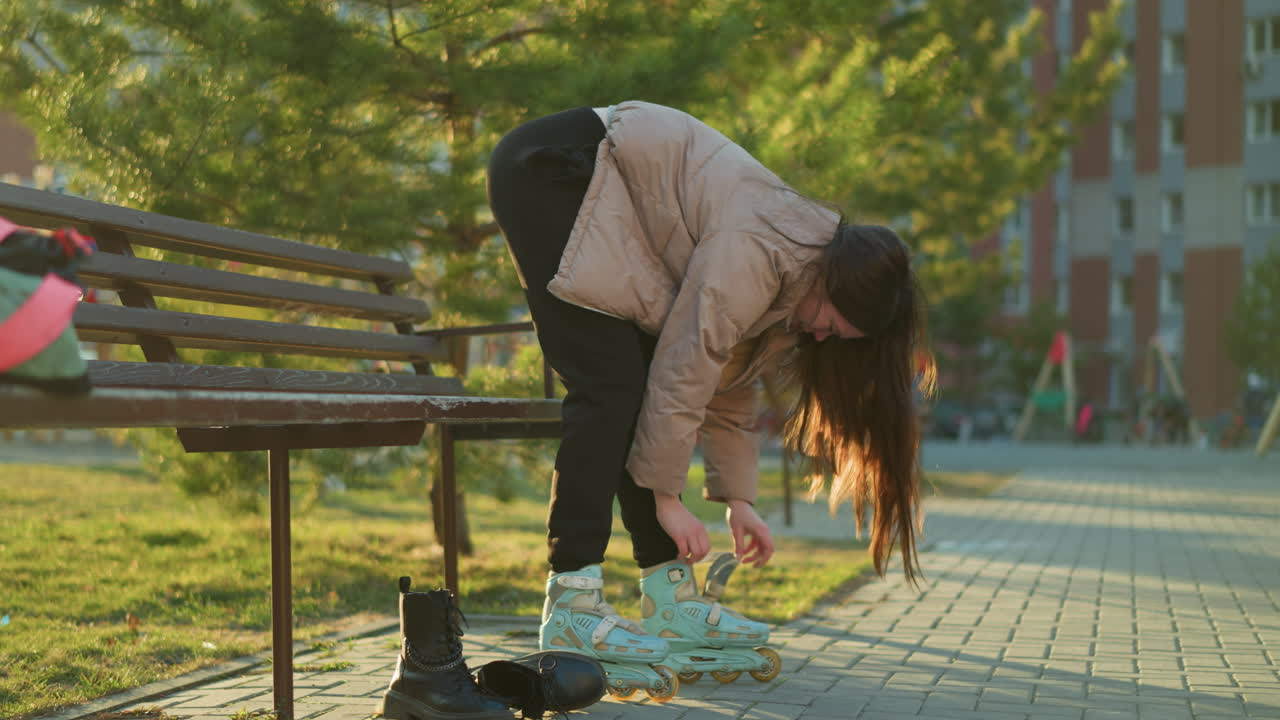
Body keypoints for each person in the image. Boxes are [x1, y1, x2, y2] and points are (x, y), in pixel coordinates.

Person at [486, 101, 933, 691]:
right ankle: (572, 599)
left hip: (602, 193)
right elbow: (688, 362)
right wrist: (668, 494)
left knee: (634, 386)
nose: (823, 335)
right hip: (556, 169)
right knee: (610, 385)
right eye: (831, 323)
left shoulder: (796, 276)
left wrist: (737, 500)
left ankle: (667, 596)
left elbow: (725, 387)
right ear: (833, 281)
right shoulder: (764, 247)